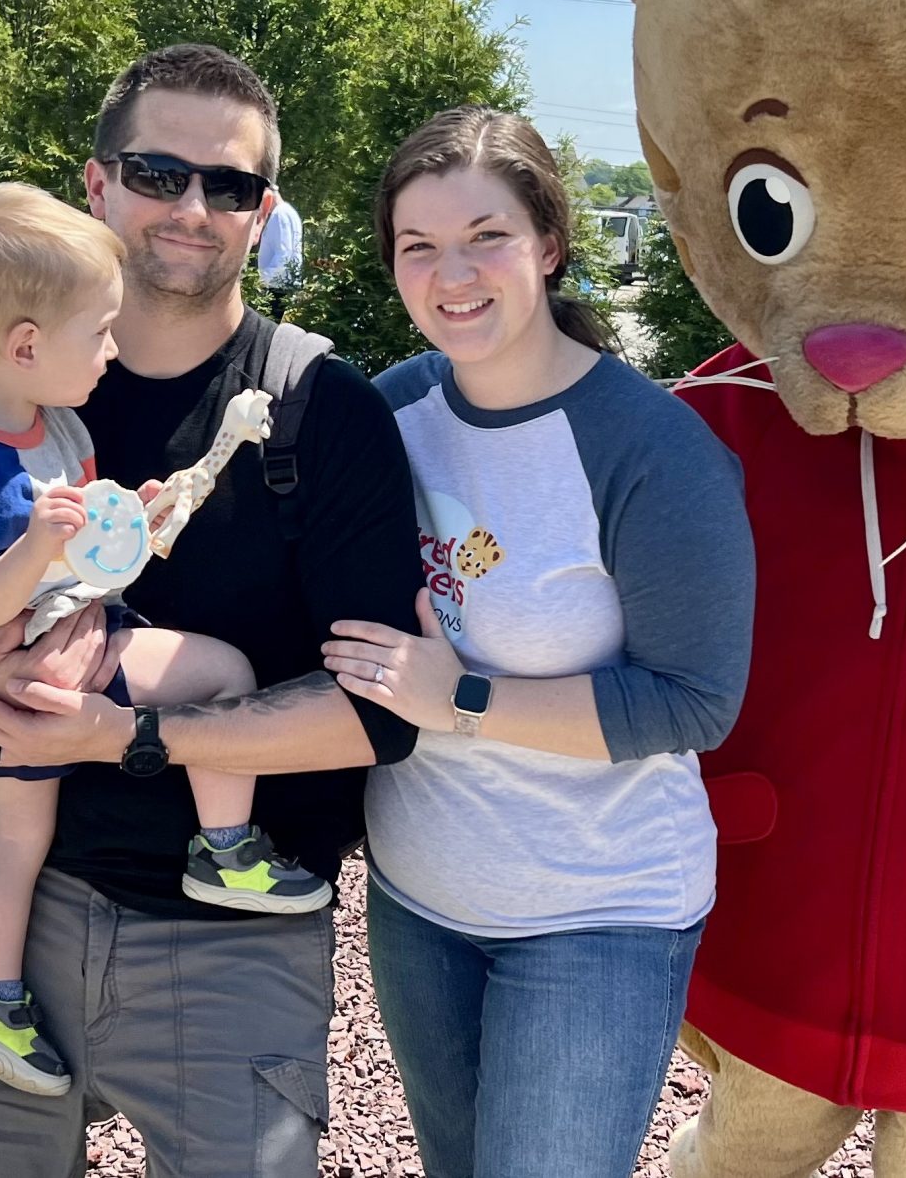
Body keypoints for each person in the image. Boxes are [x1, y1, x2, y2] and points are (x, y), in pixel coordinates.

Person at [0, 44, 422, 1177]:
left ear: (261, 212)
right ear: (96, 183)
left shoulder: (324, 407)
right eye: (158, 172)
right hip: (16, 906)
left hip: (230, 955)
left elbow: (380, 714)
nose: (191, 208)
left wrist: (122, 735)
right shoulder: (10, 393)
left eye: (227, 186)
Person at [320, 108, 755, 1178]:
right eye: (416, 246)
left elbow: (693, 699)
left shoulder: (651, 450)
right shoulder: (395, 408)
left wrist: (460, 696)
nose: (451, 273)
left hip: (598, 916)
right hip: (419, 898)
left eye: (486, 236)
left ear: (549, 246)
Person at [0, 182, 328, 1097]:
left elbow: (83, 538)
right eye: (99, 331)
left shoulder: (38, 415)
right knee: (224, 674)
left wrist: (120, 522)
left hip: (54, 629)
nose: (112, 348)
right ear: (26, 345)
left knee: (21, 833)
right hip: (17, 648)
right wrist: (43, 543)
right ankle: (225, 847)